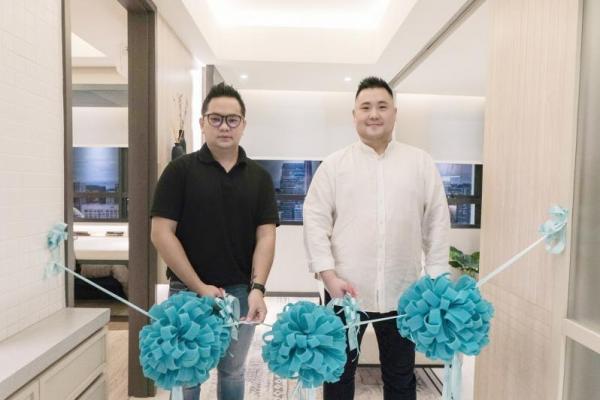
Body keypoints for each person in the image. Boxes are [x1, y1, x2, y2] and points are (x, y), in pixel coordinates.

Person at [303, 76, 450, 400]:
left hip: (403, 292)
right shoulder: (334, 166)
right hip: (344, 293)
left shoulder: (420, 163)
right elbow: (314, 221)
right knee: (338, 374)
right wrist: (328, 276)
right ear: (354, 115)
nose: (374, 114)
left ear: (395, 113)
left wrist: (436, 280)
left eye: (382, 106)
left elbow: (437, 221)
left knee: (401, 376)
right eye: (366, 107)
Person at [150, 82, 279, 400]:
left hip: (240, 292)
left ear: (243, 124)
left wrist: (258, 289)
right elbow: (161, 233)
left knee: (233, 372)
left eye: (232, 119)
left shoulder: (259, 178)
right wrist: (198, 286)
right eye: (216, 118)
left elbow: (266, 235)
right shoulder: (179, 172)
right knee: (187, 374)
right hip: (186, 292)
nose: (224, 126)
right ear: (202, 123)